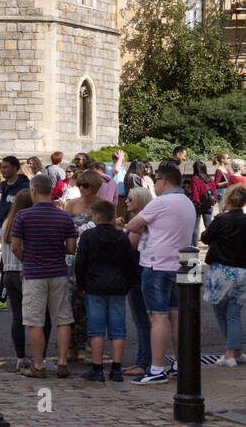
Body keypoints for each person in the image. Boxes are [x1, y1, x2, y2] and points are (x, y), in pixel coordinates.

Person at [123, 162, 196, 383]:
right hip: (180, 265)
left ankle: (156, 369)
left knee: (158, 317)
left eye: (156, 181)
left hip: (157, 266)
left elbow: (133, 225)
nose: (154, 185)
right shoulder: (187, 202)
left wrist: (132, 225)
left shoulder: (161, 202)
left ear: (163, 181)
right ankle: (181, 363)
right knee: (176, 318)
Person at [12, 172, 78, 379]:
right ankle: (62, 363)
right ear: (51, 192)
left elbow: (15, 247)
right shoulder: (65, 216)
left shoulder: (22, 216)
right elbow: (71, 247)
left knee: (35, 321)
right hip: (58, 272)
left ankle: (38, 366)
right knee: (62, 319)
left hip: (33, 273)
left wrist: (29, 258)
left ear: (33, 191)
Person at [74, 199, 140, 382]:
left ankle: (97, 368)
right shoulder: (121, 237)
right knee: (118, 329)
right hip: (118, 286)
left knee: (96, 329)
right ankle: (116, 369)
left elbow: (80, 263)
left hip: (95, 287)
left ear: (96, 216)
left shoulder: (88, 236)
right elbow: (130, 263)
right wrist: (128, 283)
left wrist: (82, 284)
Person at [202, 183, 246, 367]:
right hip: (242, 270)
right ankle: (235, 352)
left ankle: (230, 353)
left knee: (220, 311)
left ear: (227, 200)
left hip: (221, 270)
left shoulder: (221, 219)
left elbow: (205, 238)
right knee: (234, 313)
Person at [119, 184, 154, 376]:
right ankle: (143, 361)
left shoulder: (139, 223)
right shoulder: (143, 220)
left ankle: (144, 363)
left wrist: (118, 231)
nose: (126, 201)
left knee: (142, 322)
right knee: (143, 321)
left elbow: (127, 248)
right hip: (139, 275)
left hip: (137, 276)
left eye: (130, 198)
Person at [0, 189, 33, 373]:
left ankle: (20, 357)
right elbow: (17, 248)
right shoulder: (26, 223)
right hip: (22, 272)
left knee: (18, 317)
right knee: (38, 317)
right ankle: (38, 357)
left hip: (8, 274)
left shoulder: (6, 223)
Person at [0, 156, 29, 251]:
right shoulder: (3, 186)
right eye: (1, 167)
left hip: (17, 232)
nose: (2, 170)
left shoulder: (25, 187)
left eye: (5, 167)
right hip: (3, 230)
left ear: (15, 168)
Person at [190, 159, 216, 244]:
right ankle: (212, 245)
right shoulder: (210, 179)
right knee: (209, 227)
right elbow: (214, 192)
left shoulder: (195, 179)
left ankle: (194, 246)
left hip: (198, 205)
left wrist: (196, 203)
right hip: (208, 205)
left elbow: (195, 193)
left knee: (195, 227)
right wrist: (213, 201)